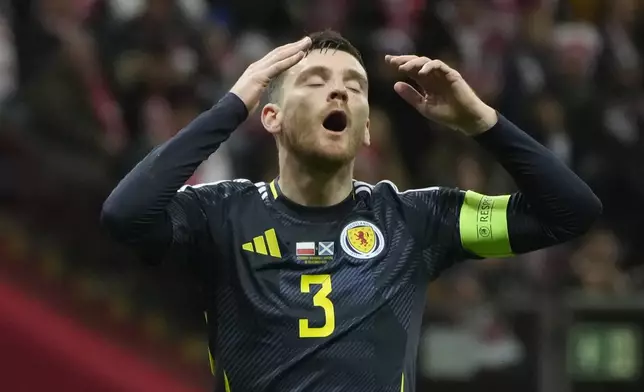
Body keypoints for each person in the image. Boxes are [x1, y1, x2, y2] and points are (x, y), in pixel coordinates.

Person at [101, 30, 601, 392]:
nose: (339, 90)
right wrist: (233, 104)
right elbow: (126, 215)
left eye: (355, 86)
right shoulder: (223, 214)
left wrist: (482, 122)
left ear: (365, 129)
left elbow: (569, 211)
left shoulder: (414, 221)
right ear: (270, 115)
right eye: (315, 81)